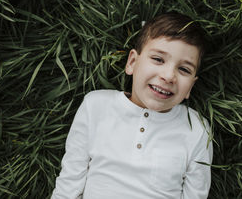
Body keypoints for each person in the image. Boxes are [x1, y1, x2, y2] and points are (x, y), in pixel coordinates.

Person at [51, 12, 213, 199]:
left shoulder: (196, 129)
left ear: (190, 87)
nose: (168, 76)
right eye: (158, 59)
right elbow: (69, 182)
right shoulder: (96, 106)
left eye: (184, 69)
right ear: (132, 62)